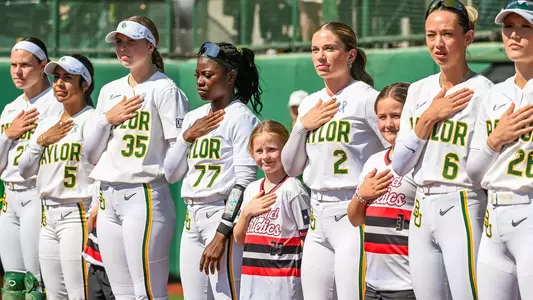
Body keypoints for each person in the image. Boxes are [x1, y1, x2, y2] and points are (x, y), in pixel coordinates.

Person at [391, 1, 494, 299]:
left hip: (462, 202)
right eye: (430, 35)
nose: (438, 44)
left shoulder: (485, 91)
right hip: (421, 209)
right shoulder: (418, 90)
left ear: (468, 38)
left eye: (447, 34)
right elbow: (399, 164)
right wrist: (428, 117)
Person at [82, 16, 190, 299]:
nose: (123, 48)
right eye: (119, 42)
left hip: (145, 195)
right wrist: (107, 119)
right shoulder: (109, 91)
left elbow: (178, 155)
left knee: (148, 293)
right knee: (121, 293)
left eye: (131, 42)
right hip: (108, 197)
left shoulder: (165, 90)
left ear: (151, 45)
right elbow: (91, 154)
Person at [281, 22, 387, 300]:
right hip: (316, 216)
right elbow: (291, 168)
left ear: (350, 55)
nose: (321, 56)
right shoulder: (309, 104)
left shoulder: (366, 98)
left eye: (329, 48)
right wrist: (301, 126)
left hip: (352, 211)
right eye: (315, 49)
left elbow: (393, 150)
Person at [163, 41, 262, 300]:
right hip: (191, 217)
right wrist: (186, 137)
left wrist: (221, 233)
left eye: (208, 75)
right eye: (198, 75)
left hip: (221, 216)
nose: (200, 81)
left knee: (226, 295)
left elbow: (244, 182)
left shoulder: (241, 118)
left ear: (230, 76)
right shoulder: (193, 117)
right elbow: (171, 174)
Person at [467, 1, 533, 299]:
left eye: (525, 27)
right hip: (494, 221)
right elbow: (474, 173)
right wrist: (496, 139)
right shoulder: (494, 93)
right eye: (509, 27)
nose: (514, 36)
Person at [17, 54, 95, 299]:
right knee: (54, 294)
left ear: (85, 84)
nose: (59, 83)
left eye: (67, 78)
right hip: (47, 215)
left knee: (79, 292)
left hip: (78, 213)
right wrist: (41, 141)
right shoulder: (46, 124)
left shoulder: (94, 119)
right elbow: (24, 169)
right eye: (56, 77)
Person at [0, 37, 63, 299]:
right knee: (12, 282)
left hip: (37, 195)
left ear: (43, 65)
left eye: (25, 64)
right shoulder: (11, 108)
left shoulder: (57, 103)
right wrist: (7, 135)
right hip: (9, 197)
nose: (18, 71)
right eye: (14, 65)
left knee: (34, 283)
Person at [347, 82, 417, 300]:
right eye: (382, 117)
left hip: (409, 285)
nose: (388, 124)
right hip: (373, 286)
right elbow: (355, 218)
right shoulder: (374, 161)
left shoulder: (421, 162)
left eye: (396, 115)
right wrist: (362, 195)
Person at [233, 120, 310, 300]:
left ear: (287, 149)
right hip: (252, 285)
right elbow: (238, 238)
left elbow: (308, 243)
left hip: (284, 287)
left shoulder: (293, 189)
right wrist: (246, 213)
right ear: (252, 153)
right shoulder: (251, 190)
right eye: (259, 151)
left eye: (272, 149)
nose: (265, 156)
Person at [83, 181, 115, 300]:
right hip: (94, 260)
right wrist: (93, 215)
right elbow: (88, 226)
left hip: (111, 263)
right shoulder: (97, 184)